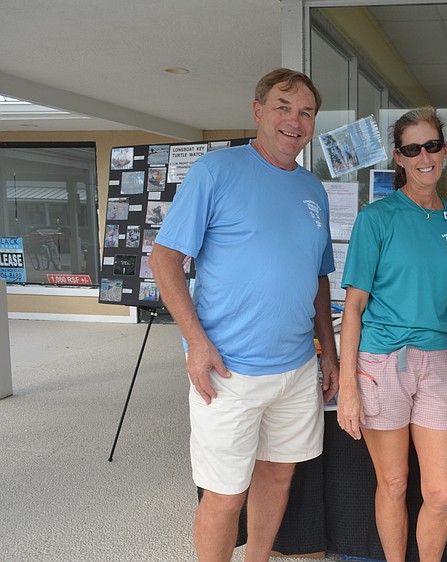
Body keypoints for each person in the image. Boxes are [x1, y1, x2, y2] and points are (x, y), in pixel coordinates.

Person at [149, 68, 339, 562]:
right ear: (257, 111)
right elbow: (164, 259)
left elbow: (317, 279)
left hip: (296, 368)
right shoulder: (216, 171)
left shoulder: (313, 190)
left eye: (305, 112)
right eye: (283, 106)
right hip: (227, 369)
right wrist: (196, 344)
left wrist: (330, 353)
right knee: (225, 494)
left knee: (278, 474)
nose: (294, 121)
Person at [336, 107, 447, 562]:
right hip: (382, 363)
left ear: (444, 151)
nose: (424, 156)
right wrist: (347, 385)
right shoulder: (377, 218)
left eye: (432, 146)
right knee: (395, 482)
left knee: (441, 493)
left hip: (440, 363)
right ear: (399, 158)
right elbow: (354, 307)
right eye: (411, 148)